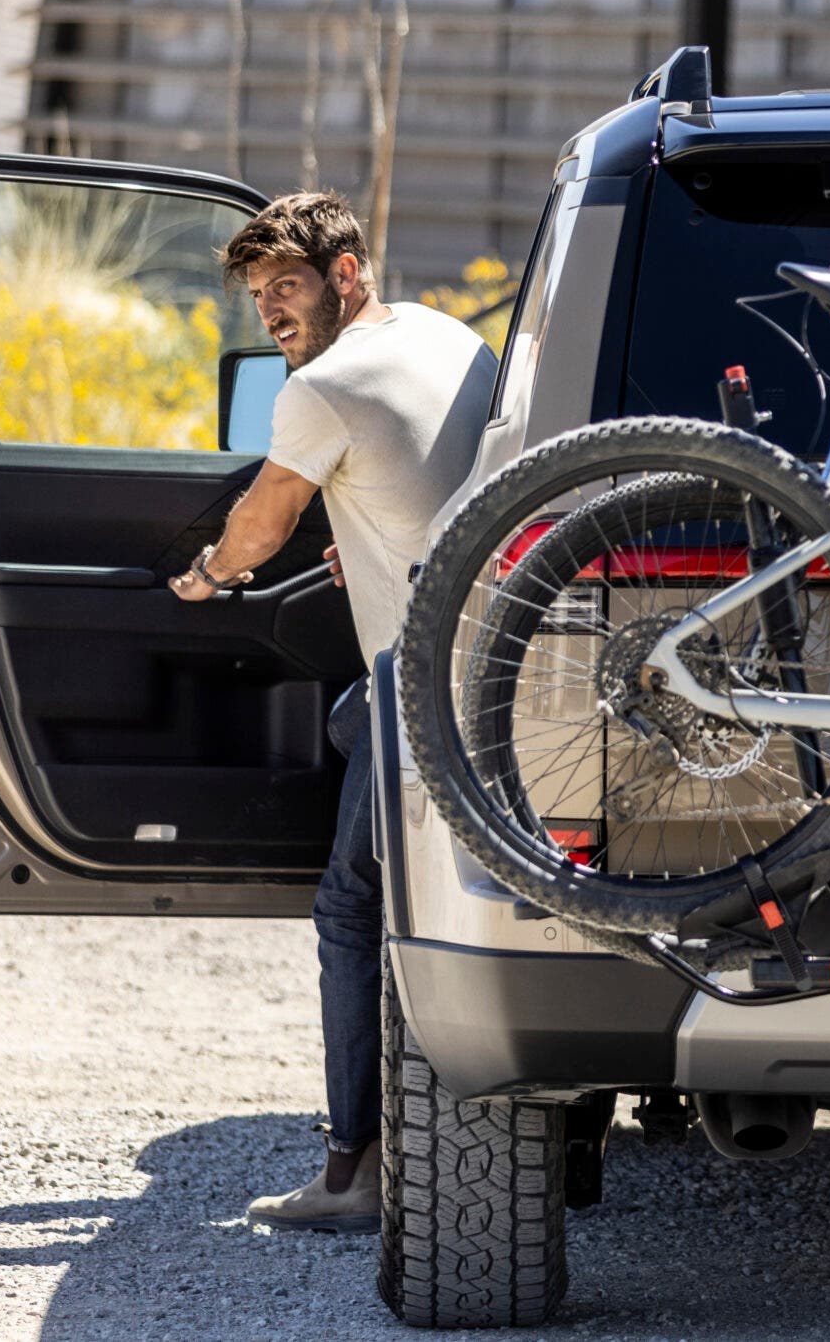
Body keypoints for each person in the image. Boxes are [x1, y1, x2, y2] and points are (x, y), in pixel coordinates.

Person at [166, 192, 497, 1233]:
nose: (271, 311)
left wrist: (211, 575)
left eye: (289, 287)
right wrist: (364, 523)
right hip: (501, 658)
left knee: (349, 908)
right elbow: (436, 472)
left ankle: (356, 1168)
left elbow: (261, 523)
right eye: (260, 295)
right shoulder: (446, 336)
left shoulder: (323, 386)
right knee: (352, 718)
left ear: (347, 274)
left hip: (424, 679)